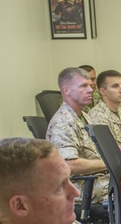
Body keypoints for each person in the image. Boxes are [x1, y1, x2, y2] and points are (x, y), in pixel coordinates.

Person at [44, 67, 109, 204]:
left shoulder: (84, 116)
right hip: (82, 187)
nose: (91, 90)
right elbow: (69, 165)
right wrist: (108, 163)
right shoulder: (63, 122)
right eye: (83, 86)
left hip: (99, 178)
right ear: (66, 90)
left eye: (90, 86)